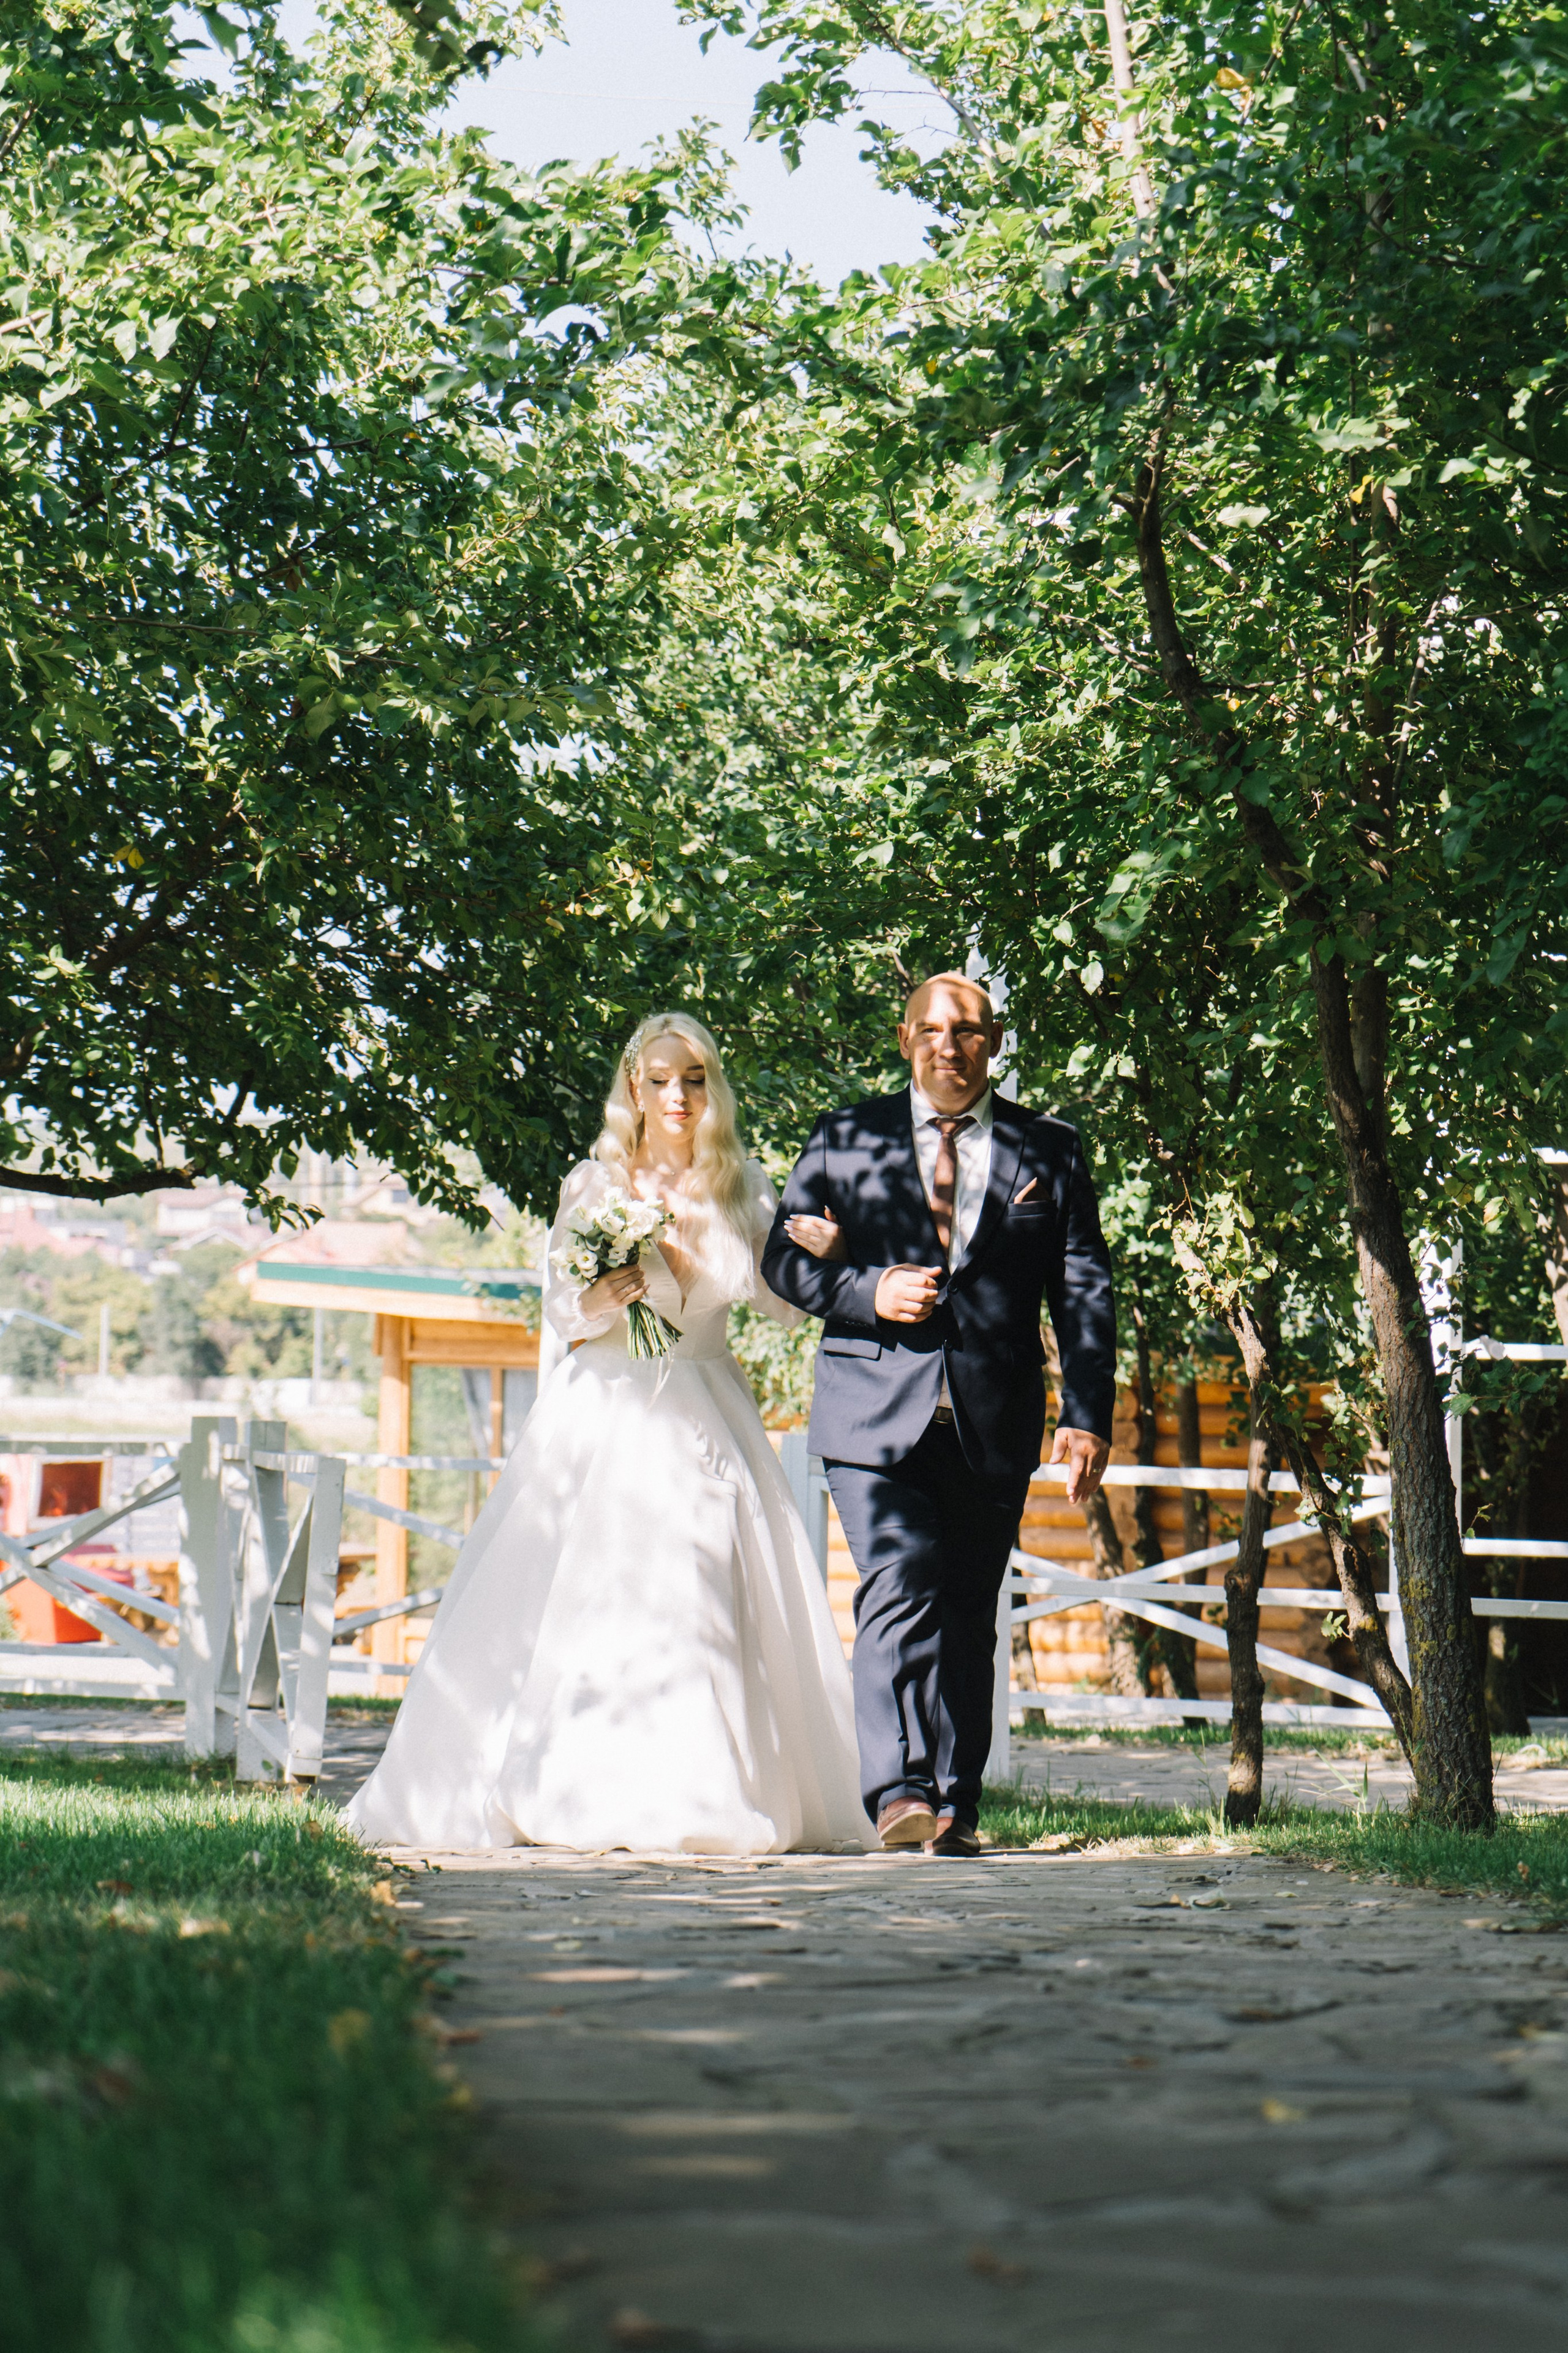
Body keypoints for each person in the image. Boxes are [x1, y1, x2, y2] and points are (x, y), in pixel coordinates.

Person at [345, 1013, 865, 1857]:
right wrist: (612, 1291)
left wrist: (828, 1252)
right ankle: (572, 1788)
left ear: (712, 1087)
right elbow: (561, 1311)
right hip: (608, 1402)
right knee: (588, 1594)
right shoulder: (595, 1185)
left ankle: (707, 1794)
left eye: (693, 1078)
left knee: (708, 1585)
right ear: (633, 1087)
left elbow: (781, 1298)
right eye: (660, 1079)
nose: (677, 1095)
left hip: (705, 1400)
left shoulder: (743, 1183)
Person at [763, 972, 1117, 1857]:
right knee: (898, 1579)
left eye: (967, 1031)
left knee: (968, 1606)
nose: (948, 1046)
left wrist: (1087, 1408)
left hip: (993, 1414)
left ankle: (958, 1803)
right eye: (931, 1029)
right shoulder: (848, 1139)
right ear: (904, 1038)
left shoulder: (1052, 1148)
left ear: (994, 1042)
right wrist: (866, 1289)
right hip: (871, 1408)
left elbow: (1082, 1286)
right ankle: (898, 1788)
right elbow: (782, 1257)